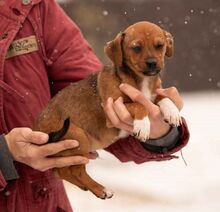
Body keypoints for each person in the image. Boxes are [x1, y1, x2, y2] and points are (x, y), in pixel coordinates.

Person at [0, 0, 189, 211]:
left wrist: (160, 135)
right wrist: (3, 153)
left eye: (159, 46)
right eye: (136, 49)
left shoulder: (34, 8)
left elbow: (96, 95)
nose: (151, 58)